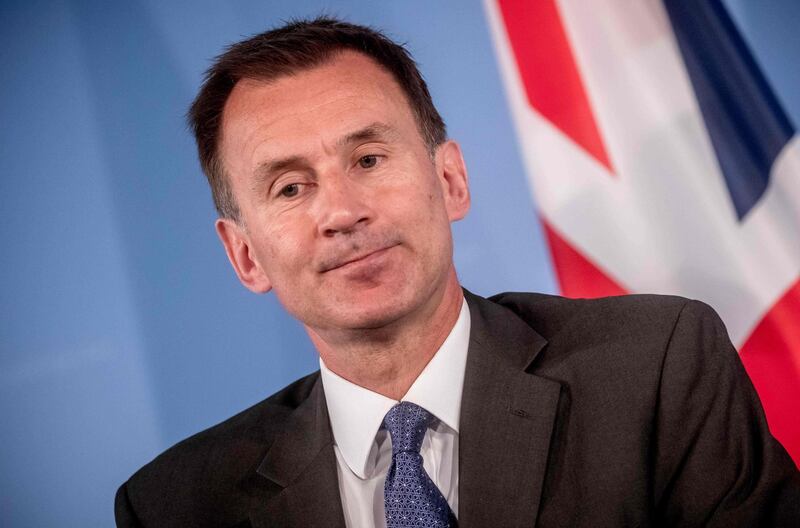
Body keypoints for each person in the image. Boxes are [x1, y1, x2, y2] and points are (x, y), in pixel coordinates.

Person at [115, 17, 800, 527]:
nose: (342, 212)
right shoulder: (175, 506)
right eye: (290, 188)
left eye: (369, 160)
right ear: (245, 256)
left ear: (451, 181)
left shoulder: (657, 369)